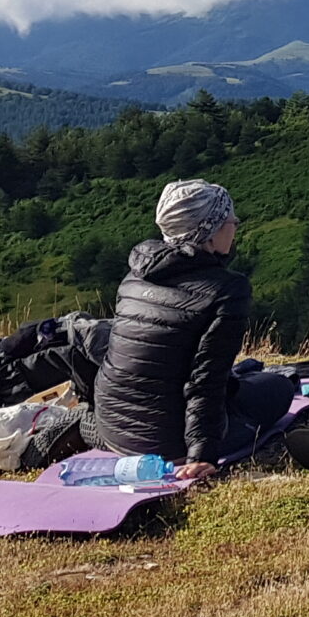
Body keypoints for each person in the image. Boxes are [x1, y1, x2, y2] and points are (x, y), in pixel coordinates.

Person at [89, 180, 252, 482]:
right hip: (166, 445)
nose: (235, 226)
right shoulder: (228, 289)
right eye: (231, 220)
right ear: (211, 230)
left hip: (109, 429)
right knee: (274, 391)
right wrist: (202, 455)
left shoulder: (134, 276)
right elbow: (206, 379)